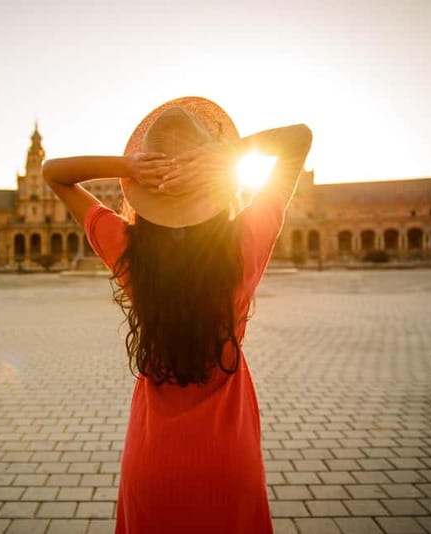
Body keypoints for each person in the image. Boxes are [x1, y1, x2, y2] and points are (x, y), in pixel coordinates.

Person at [42, 96, 312, 534]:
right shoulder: (245, 243)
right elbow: (299, 139)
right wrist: (226, 155)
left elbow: (53, 173)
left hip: (152, 465)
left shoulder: (128, 251)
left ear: (143, 195)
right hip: (229, 462)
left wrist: (130, 165)